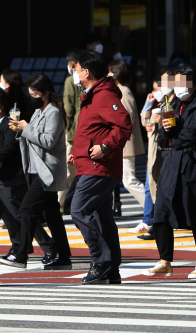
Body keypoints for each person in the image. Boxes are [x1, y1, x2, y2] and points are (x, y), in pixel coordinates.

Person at [143, 66, 196, 279]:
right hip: (172, 164)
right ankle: (165, 260)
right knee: (161, 213)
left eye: (182, 84)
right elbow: (162, 139)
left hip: (195, 164)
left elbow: (193, 135)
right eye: (175, 84)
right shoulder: (173, 104)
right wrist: (166, 130)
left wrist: (172, 133)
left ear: (193, 85)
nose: (178, 88)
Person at [0, 75, 72, 269]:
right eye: (30, 93)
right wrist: (21, 130)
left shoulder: (53, 112)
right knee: (53, 216)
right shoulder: (38, 111)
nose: (32, 97)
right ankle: (64, 258)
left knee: (26, 209)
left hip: (47, 170)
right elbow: (33, 138)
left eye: (35, 93)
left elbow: (48, 141)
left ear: (46, 93)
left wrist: (26, 127)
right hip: (35, 169)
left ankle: (21, 255)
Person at [69, 50, 132, 284]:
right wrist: (76, 154)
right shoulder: (91, 95)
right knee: (102, 216)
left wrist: (105, 148)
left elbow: (124, 125)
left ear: (86, 72)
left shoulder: (103, 95)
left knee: (79, 209)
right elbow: (93, 131)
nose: (74, 73)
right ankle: (111, 267)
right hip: (91, 165)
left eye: (75, 69)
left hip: (100, 166)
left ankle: (101, 260)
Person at [136, 69, 178, 239]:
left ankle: (156, 223)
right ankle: (153, 223)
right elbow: (146, 123)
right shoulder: (161, 104)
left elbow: (173, 128)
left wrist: (160, 122)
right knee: (152, 188)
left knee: (158, 190)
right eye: (154, 89)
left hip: (165, 154)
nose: (155, 92)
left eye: (158, 88)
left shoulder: (173, 104)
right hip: (156, 155)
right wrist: (147, 107)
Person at [108, 60, 146, 222]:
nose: (107, 76)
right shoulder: (119, 91)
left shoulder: (124, 92)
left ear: (117, 75)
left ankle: (154, 206)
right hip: (120, 144)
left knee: (129, 180)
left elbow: (127, 119)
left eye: (110, 73)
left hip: (124, 144)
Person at [61, 48, 83, 213]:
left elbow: (68, 108)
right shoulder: (88, 78)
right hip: (86, 129)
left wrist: (67, 128)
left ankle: (59, 204)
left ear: (71, 64)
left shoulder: (70, 81)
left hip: (74, 131)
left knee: (68, 172)